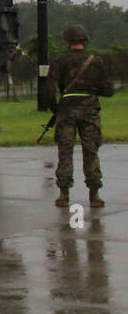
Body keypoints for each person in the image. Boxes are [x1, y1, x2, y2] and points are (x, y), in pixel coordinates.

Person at [51, 24, 114, 208]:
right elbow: (108, 90)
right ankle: (94, 195)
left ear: (67, 40)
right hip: (90, 111)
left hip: (66, 111)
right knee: (91, 150)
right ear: (84, 40)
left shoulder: (59, 61)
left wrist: (55, 108)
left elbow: (48, 91)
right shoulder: (96, 61)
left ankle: (64, 194)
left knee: (65, 152)